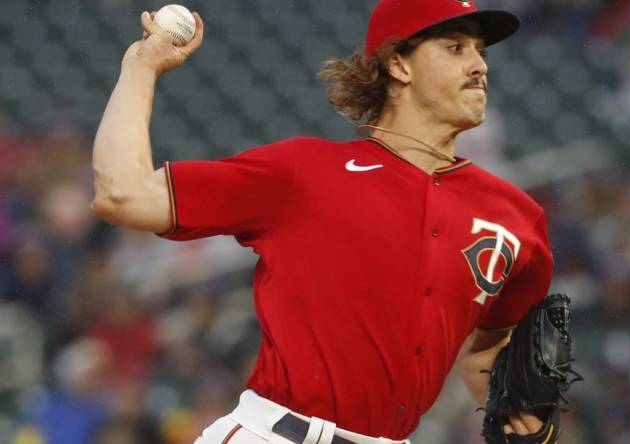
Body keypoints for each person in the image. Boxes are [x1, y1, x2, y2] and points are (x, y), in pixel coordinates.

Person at [91, 0, 555, 443]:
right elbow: (123, 193)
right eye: (456, 48)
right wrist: (140, 67)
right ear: (399, 65)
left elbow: (489, 344)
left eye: (480, 50)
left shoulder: (516, 218)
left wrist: (522, 412)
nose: (479, 65)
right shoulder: (304, 172)